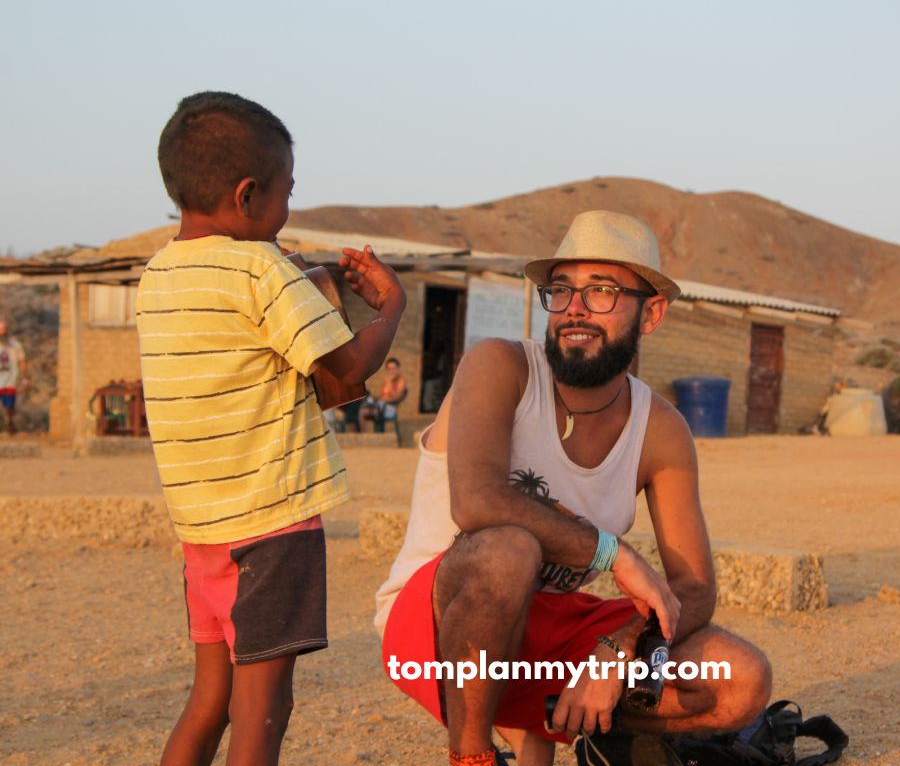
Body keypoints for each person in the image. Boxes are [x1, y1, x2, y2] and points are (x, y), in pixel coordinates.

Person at [375, 211, 771, 766]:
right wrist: (615, 555)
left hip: (546, 645)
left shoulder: (660, 429)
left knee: (739, 679)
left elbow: (695, 586)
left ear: (651, 313)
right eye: (561, 289)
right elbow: (478, 503)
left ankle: (565, 721)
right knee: (509, 549)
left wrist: (619, 650)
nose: (574, 308)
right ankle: (472, 756)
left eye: (602, 291)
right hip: (435, 632)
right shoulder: (500, 367)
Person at [141, 91, 405, 766]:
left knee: (209, 701)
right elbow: (348, 369)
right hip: (272, 524)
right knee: (263, 710)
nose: (289, 208)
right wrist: (390, 307)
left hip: (201, 530)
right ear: (247, 195)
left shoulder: (158, 276)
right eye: (288, 192)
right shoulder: (261, 271)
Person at [0, 318, 29, 435]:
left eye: (3, 329)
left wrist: (25, 377)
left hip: (10, 379)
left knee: (9, 405)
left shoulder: (15, 345)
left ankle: (10, 424)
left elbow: (22, 361)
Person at [363, 356, 407, 432]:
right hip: (382, 406)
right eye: (389, 369)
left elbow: (397, 397)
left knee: (368, 411)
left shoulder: (401, 381)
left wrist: (390, 383)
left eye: (394, 368)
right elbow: (383, 396)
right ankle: (366, 435)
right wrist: (376, 398)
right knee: (363, 410)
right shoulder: (386, 380)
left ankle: (377, 434)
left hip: (390, 408)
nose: (392, 371)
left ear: (398, 368)